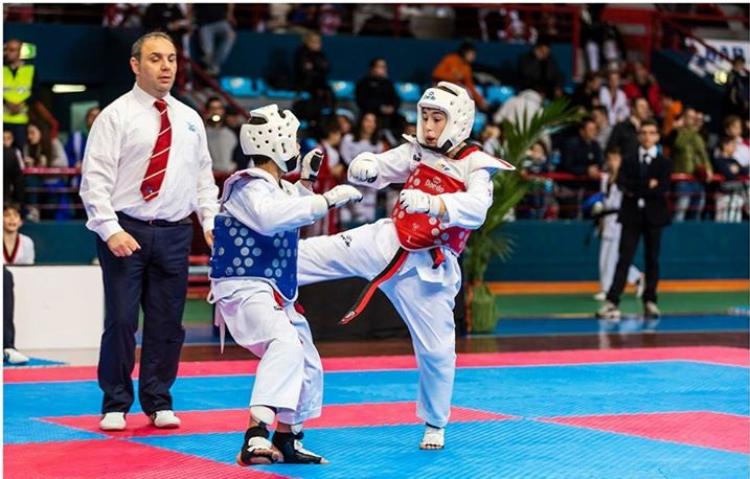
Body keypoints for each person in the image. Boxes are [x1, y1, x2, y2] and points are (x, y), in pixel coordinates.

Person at [297, 82, 515, 450]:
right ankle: (259, 275)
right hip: (388, 240)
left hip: (429, 269)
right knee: (317, 253)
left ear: (458, 121)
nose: (429, 127)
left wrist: (436, 204)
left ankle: (435, 422)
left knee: (437, 352)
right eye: (425, 117)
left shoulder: (477, 164)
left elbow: (477, 209)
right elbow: (380, 167)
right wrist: (364, 167)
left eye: (437, 119)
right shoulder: (417, 150)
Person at [79, 32, 219, 432]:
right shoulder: (115, 116)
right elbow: (95, 182)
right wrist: (110, 230)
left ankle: (158, 401)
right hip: (126, 229)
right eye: (156, 59)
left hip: (175, 233)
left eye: (172, 59)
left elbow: (203, 179)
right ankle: (116, 402)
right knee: (122, 321)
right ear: (135, 65)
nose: (166, 67)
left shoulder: (190, 119)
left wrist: (210, 222)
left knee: (167, 323)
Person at [209, 104, 362, 465]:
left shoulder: (276, 187)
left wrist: (306, 186)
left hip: (271, 288)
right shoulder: (247, 186)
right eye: (291, 139)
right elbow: (270, 217)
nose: (295, 146)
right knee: (285, 345)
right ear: (275, 143)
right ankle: (255, 434)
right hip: (243, 287)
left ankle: (288, 436)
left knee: (307, 360)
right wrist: (325, 199)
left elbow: (290, 206)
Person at [597, 119, 672, 320]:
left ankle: (650, 301)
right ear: (639, 136)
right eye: (644, 132)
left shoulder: (664, 162)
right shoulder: (629, 160)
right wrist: (648, 185)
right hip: (631, 217)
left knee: (652, 260)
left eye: (651, 132)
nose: (647, 136)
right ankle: (612, 301)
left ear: (657, 136)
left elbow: (663, 188)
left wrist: (638, 188)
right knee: (624, 259)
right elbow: (623, 184)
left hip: (654, 217)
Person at [593, 147, 643, 301]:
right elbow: (603, 199)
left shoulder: (625, 180)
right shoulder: (605, 178)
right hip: (607, 219)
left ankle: (607, 289)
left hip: (620, 220)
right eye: (610, 159)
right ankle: (637, 277)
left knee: (611, 258)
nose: (612, 162)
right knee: (607, 257)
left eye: (615, 159)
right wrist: (599, 219)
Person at [339, 112, 385, 226]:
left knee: (366, 222)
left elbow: (378, 165)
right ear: (361, 122)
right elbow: (345, 159)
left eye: (373, 121)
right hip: (350, 184)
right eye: (367, 120)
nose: (370, 124)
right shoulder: (348, 139)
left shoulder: (378, 145)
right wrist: (359, 172)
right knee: (345, 220)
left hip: (369, 189)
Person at [3, 202, 33, 364]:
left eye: (15, 216)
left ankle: (8, 347)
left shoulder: (26, 242)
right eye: (7, 215)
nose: (11, 220)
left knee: (5, 276)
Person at [671, 107, 712, 222]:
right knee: (679, 213)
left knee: (696, 215)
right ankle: (675, 239)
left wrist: (709, 169)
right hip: (683, 180)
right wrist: (692, 130)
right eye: (690, 117)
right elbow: (679, 145)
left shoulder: (698, 136)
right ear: (683, 119)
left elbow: (703, 155)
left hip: (698, 180)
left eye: (695, 118)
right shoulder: (677, 133)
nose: (694, 120)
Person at [432, 42, 488, 110]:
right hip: (441, 89)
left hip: (455, 94)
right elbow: (436, 74)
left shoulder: (467, 67)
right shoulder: (451, 59)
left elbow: (470, 85)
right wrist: (453, 78)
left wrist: (480, 101)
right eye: (472, 54)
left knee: (466, 93)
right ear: (464, 52)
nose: (473, 57)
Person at [3, 38, 37, 149]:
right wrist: (6, 103)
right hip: (2, 119)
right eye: (6, 49)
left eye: (12, 50)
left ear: (19, 52)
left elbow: (36, 93)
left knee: (20, 155)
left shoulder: (30, 70)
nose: (8, 53)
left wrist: (21, 104)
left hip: (21, 121)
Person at [355, 58, 402, 135]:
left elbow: (396, 99)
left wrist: (393, 108)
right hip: (370, 112)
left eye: (384, 67)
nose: (384, 69)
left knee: (401, 119)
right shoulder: (363, 83)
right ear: (372, 68)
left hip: (388, 116)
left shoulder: (388, 83)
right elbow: (361, 101)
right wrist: (380, 107)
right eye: (380, 67)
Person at [193, 4, 236, 76]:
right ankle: (210, 70)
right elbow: (190, 6)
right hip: (204, 23)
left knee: (230, 35)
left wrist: (230, 14)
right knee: (207, 55)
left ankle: (214, 65)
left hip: (221, 20)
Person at [606, 96, 651, 160]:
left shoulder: (650, 128)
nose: (645, 110)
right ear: (633, 109)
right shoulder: (620, 127)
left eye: (647, 107)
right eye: (642, 106)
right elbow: (610, 150)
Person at [203, 96, 238, 173]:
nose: (215, 112)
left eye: (219, 108)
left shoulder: (231, 133)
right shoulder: (202, 132)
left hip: (229, 173)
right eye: (212, 108)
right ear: (207, 111)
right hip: (210, 173)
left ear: (223, 111)